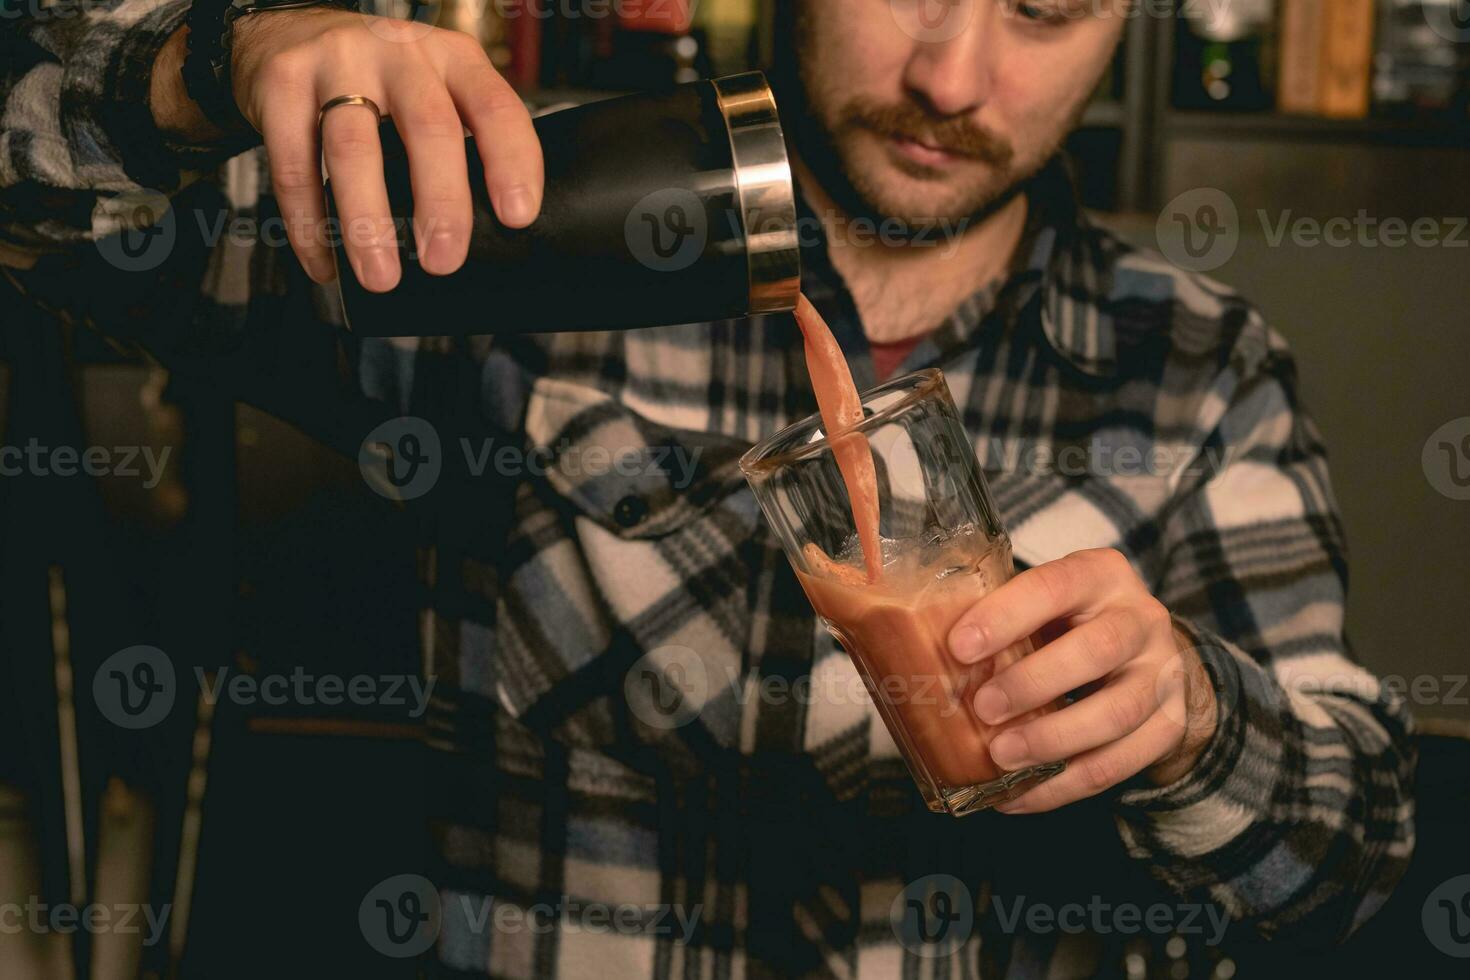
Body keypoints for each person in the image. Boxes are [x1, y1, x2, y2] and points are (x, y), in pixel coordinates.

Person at [0, 0, 1415, 974]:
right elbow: (46, 224)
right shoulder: (518, 247)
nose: (952, 77)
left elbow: (1346, 871)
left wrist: (1188, 722)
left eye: (1044, 12)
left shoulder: (1194, 370)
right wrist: (218, 61)